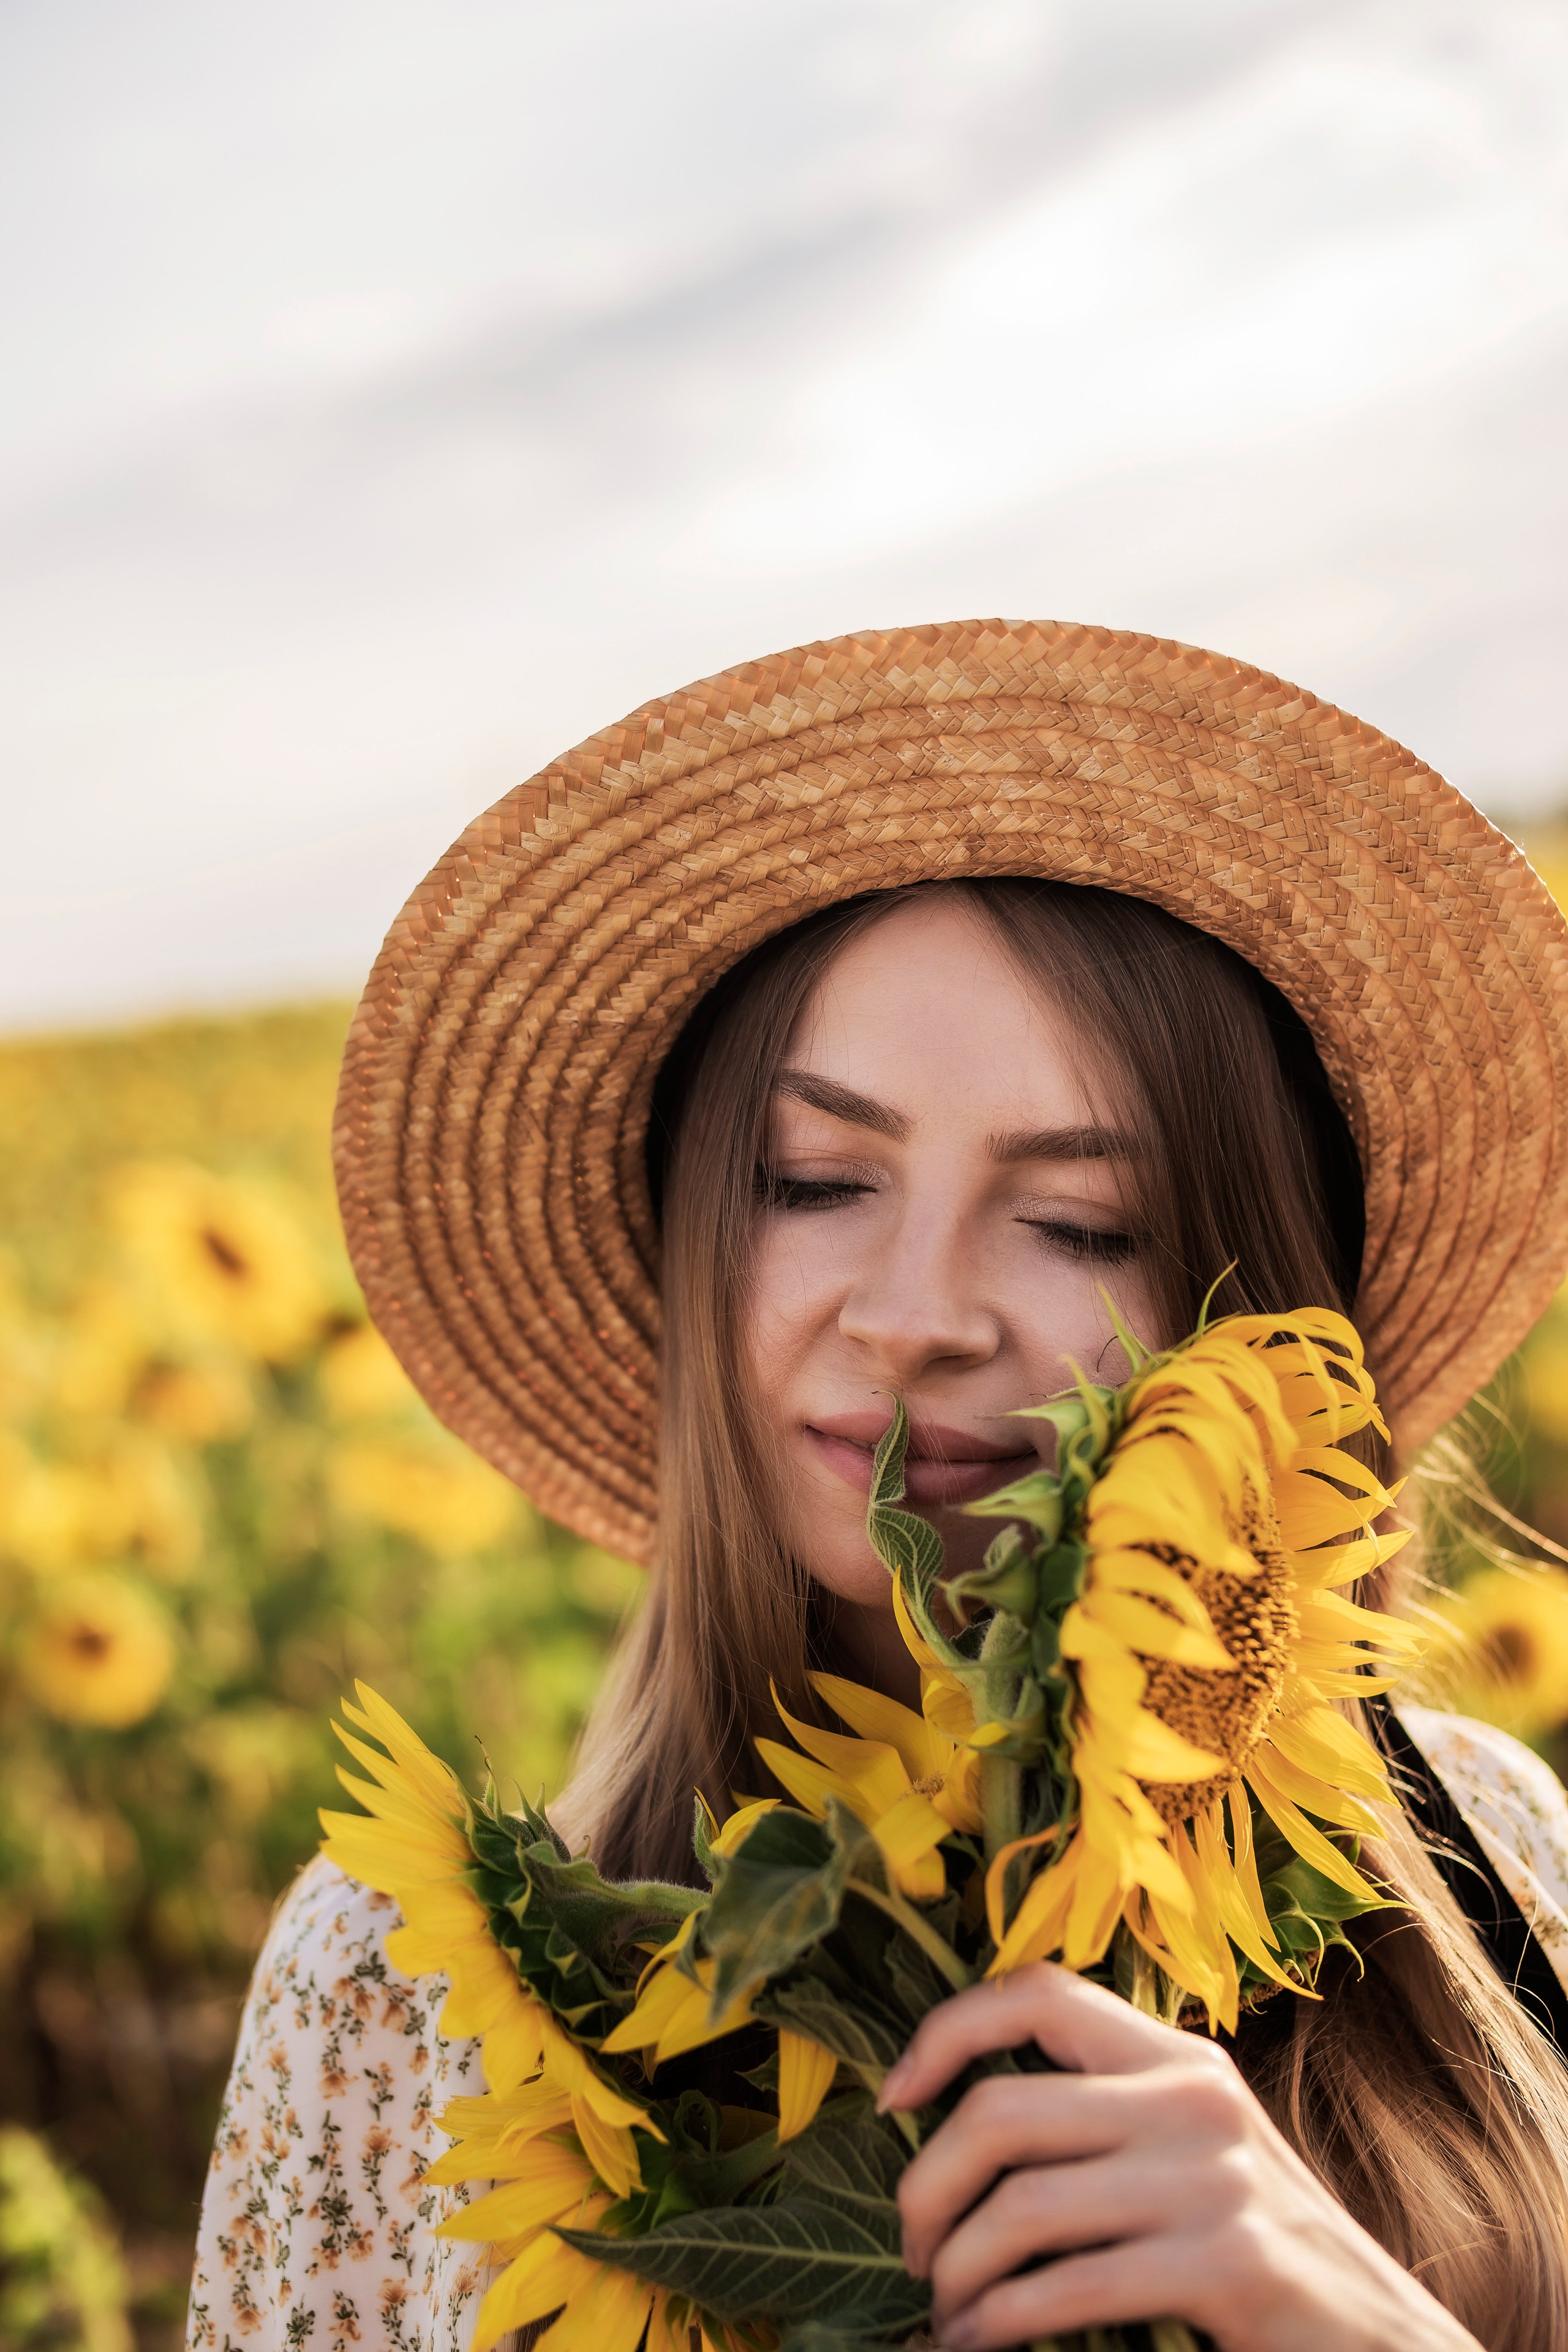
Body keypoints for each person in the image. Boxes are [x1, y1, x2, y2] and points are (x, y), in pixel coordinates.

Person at [187, 622, 1568, 2352]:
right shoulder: (399, 2005)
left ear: (1260, 1313)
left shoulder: (1485, 1865)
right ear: (701, 1231)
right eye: (817, 1179)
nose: (916, 1319)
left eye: (1082, 1223)